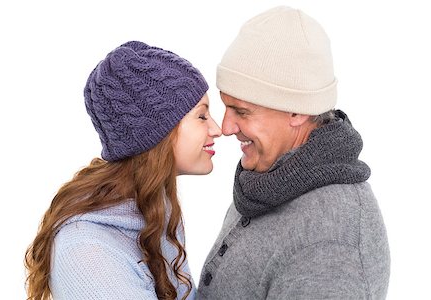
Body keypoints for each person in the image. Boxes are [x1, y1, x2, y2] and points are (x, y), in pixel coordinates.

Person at [197, 6, 390, 300]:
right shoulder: (270, 177)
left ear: (297, 111)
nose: (225, 127)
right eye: (225, 107)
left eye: (241, 111)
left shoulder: (333, 245)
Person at [24, 41, 221, 300]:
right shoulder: (86, 252)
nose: (217, 129)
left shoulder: (155, 207)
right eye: (202, 116)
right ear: (158, 133)